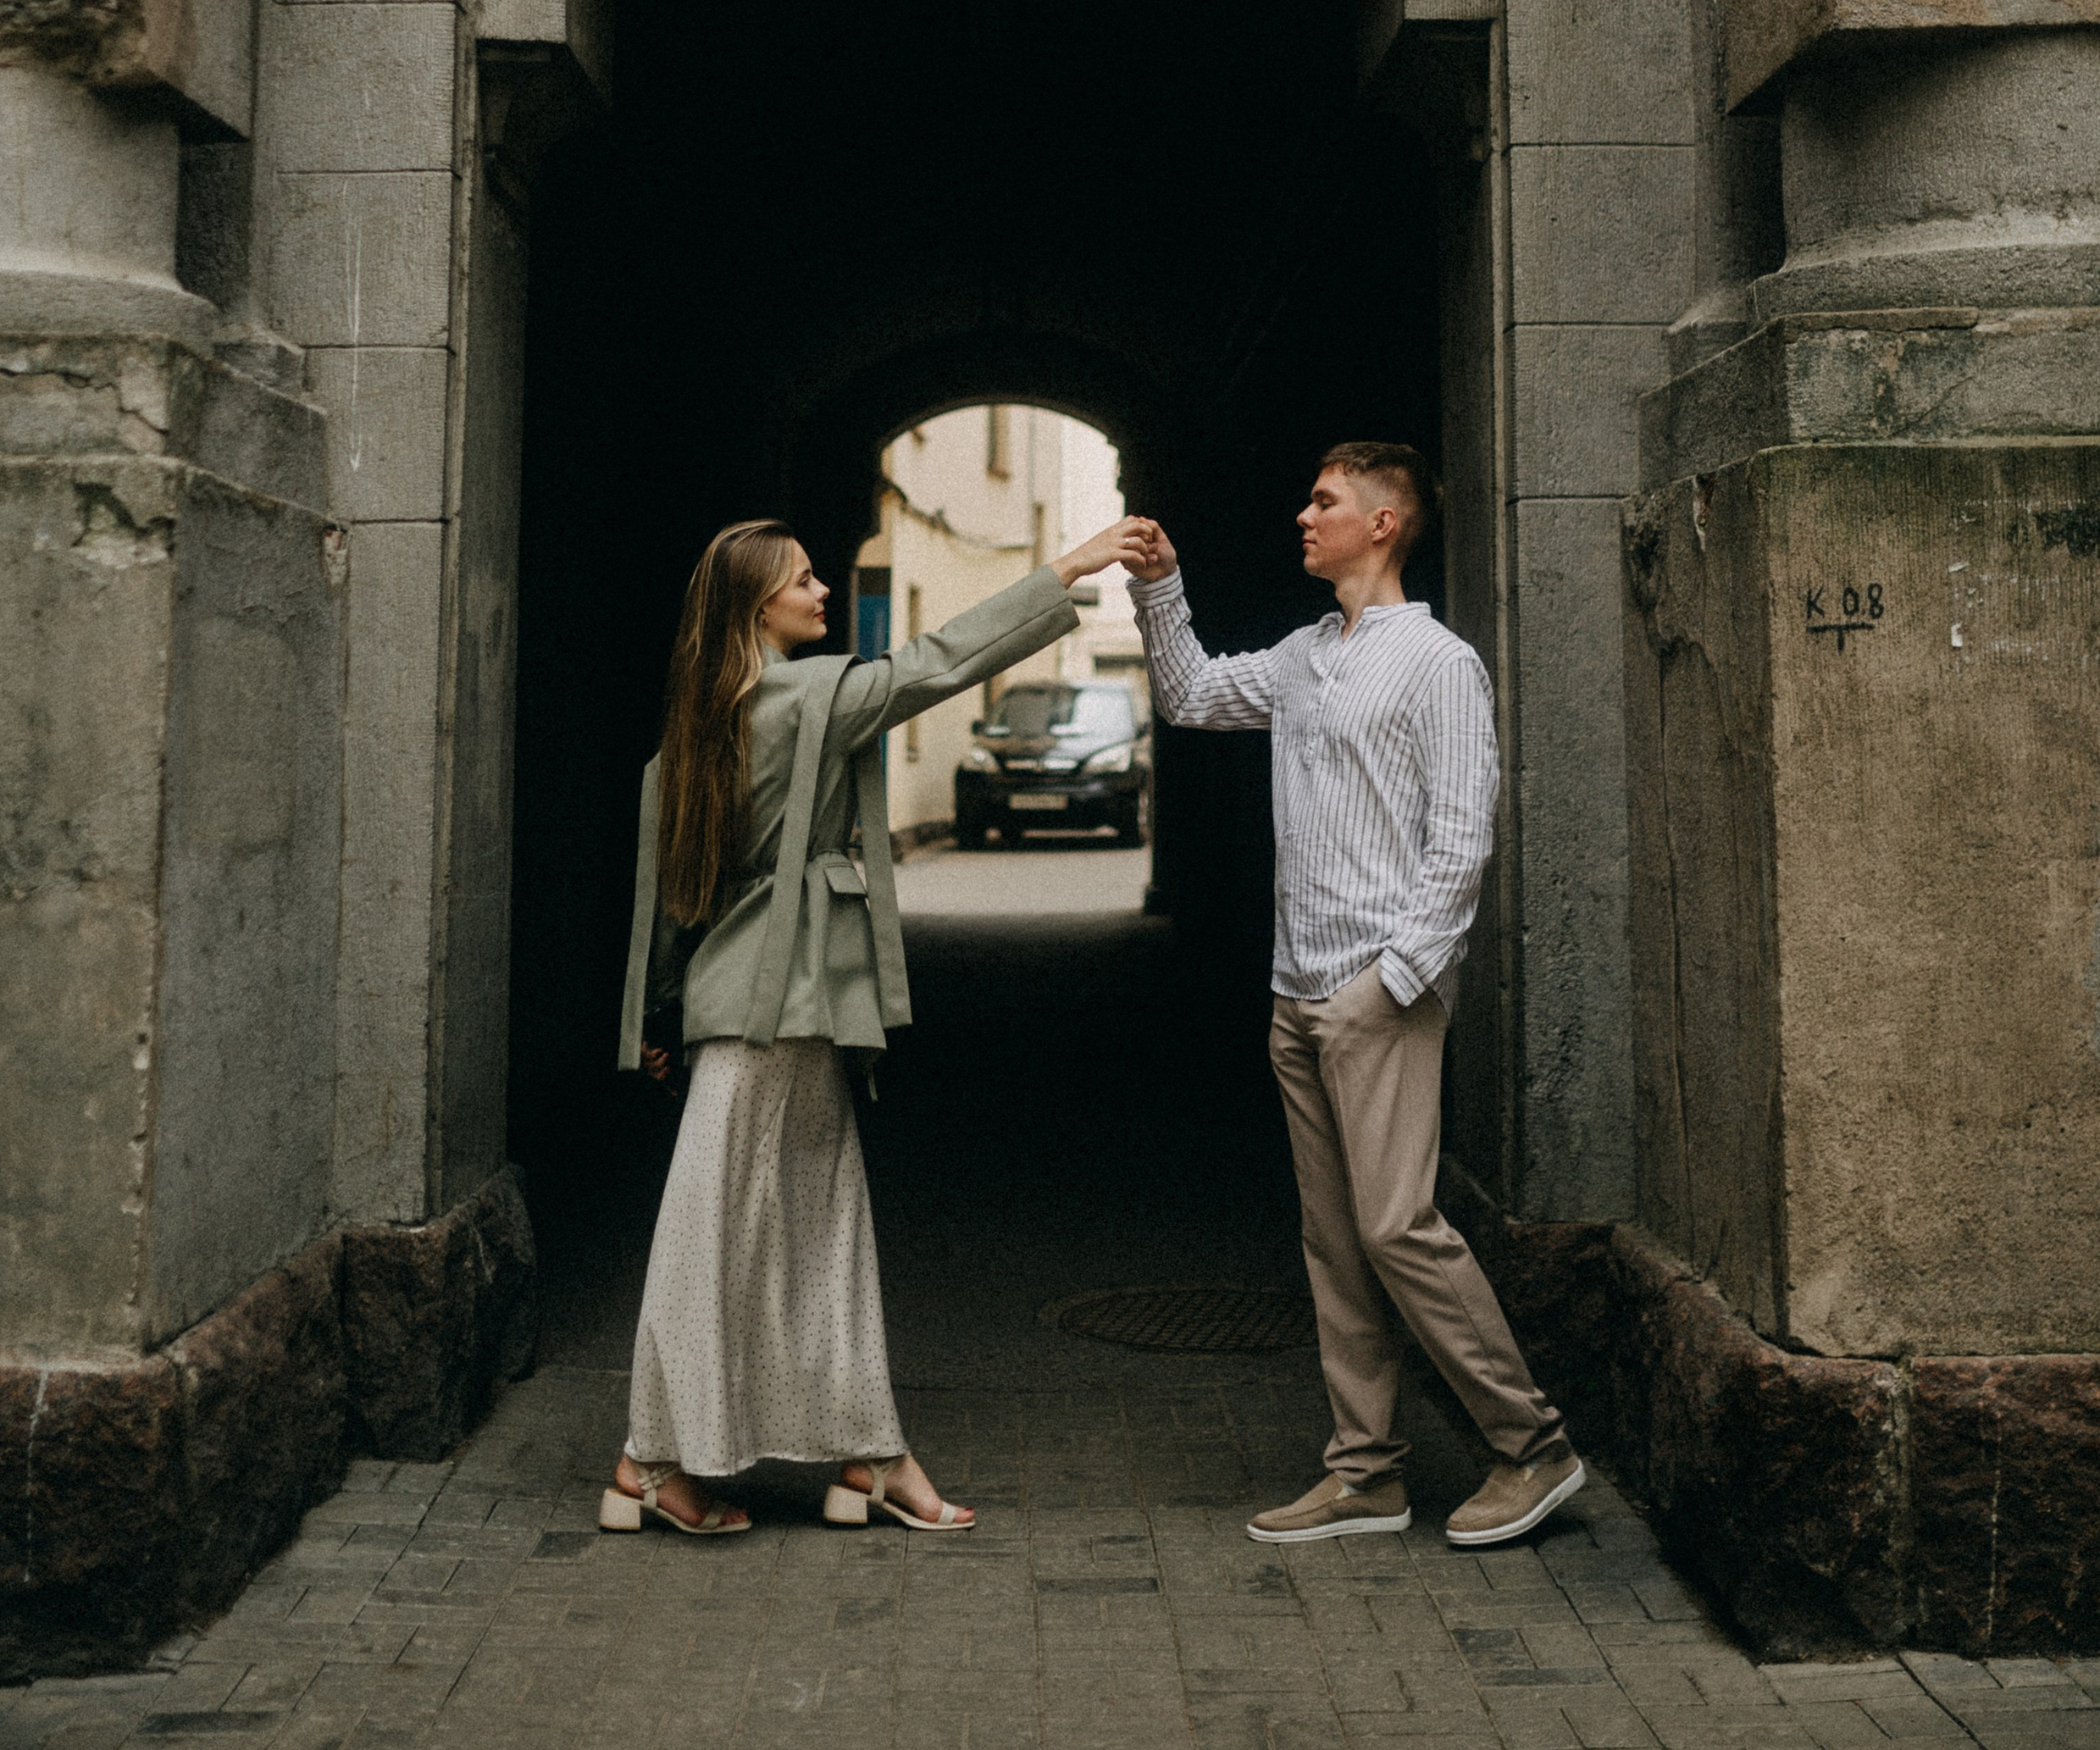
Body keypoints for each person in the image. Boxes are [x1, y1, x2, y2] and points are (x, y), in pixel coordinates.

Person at [602, 508, 1147, 1539]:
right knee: (730, 1228)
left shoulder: (701, 720)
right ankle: (658, 1460)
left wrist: (659, 1015)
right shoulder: (810, 695)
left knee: (798, 1224)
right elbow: (937, 663)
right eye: (802, 578)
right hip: (789, 999)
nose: (821, 590)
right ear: (755, 604)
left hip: (745, 1001)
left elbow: (668, 891)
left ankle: (860, 1454)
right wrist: (1067, 568)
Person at [1123, 445, 1584, 1550]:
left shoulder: (1438, 662)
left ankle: (1532, 1445)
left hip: (1379, 991)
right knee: (1335, 1241)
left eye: (1324, 498)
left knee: (1397, 1225)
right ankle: (1366, 1470)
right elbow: (1188, 692)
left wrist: (1395, 979)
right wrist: (1159, 584)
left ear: (1384, 521)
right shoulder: (1300, 657)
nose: (1303, 511)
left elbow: (1461, 834)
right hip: (1296, 995)